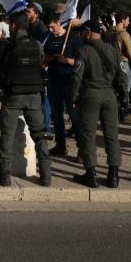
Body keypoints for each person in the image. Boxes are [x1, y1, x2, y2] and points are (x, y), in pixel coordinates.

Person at [0, 13, 51, 187]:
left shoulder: (6, 47)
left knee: (7, 135)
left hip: (13, 96)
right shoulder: (37, 45)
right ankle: (46, 175)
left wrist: (3, 88)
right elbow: (41, 65)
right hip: (33, 96)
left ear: (13, 27)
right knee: (39, 135)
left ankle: (4, 174)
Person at [70, 21, 123, 188]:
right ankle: (113, 175)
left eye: (83, 32)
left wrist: (72, 98)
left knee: (88, 135)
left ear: (88, 32)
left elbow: (76, 78)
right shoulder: (113, 50)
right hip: (109, 95)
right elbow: (121, 77)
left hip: (91, 95)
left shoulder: (84, 50)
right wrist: (124, 99)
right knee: (111, 136)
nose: (81, 35)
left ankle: (91, 174)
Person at [43, 14, 81, 157]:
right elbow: (45, 57)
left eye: (52, 27)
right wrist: (48, 59)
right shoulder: (49, 38)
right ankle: (60, 145)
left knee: (73, 114)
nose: (51, 30)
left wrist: (67, 61)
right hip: (53, 81)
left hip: (69, 81)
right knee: (56, 114)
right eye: (48, 28)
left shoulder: (73, 38)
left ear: (59, 22)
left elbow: (81, 62)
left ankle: (81, 148)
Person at [105, 13, 131, 118]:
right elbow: (130, 52)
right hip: (122, 62)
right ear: (122, 20)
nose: (128, 22)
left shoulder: (110, 32)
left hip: (111, 62)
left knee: (115, 87)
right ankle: (124, 110)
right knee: (125, 86)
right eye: (127, 20)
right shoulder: (124, 34)